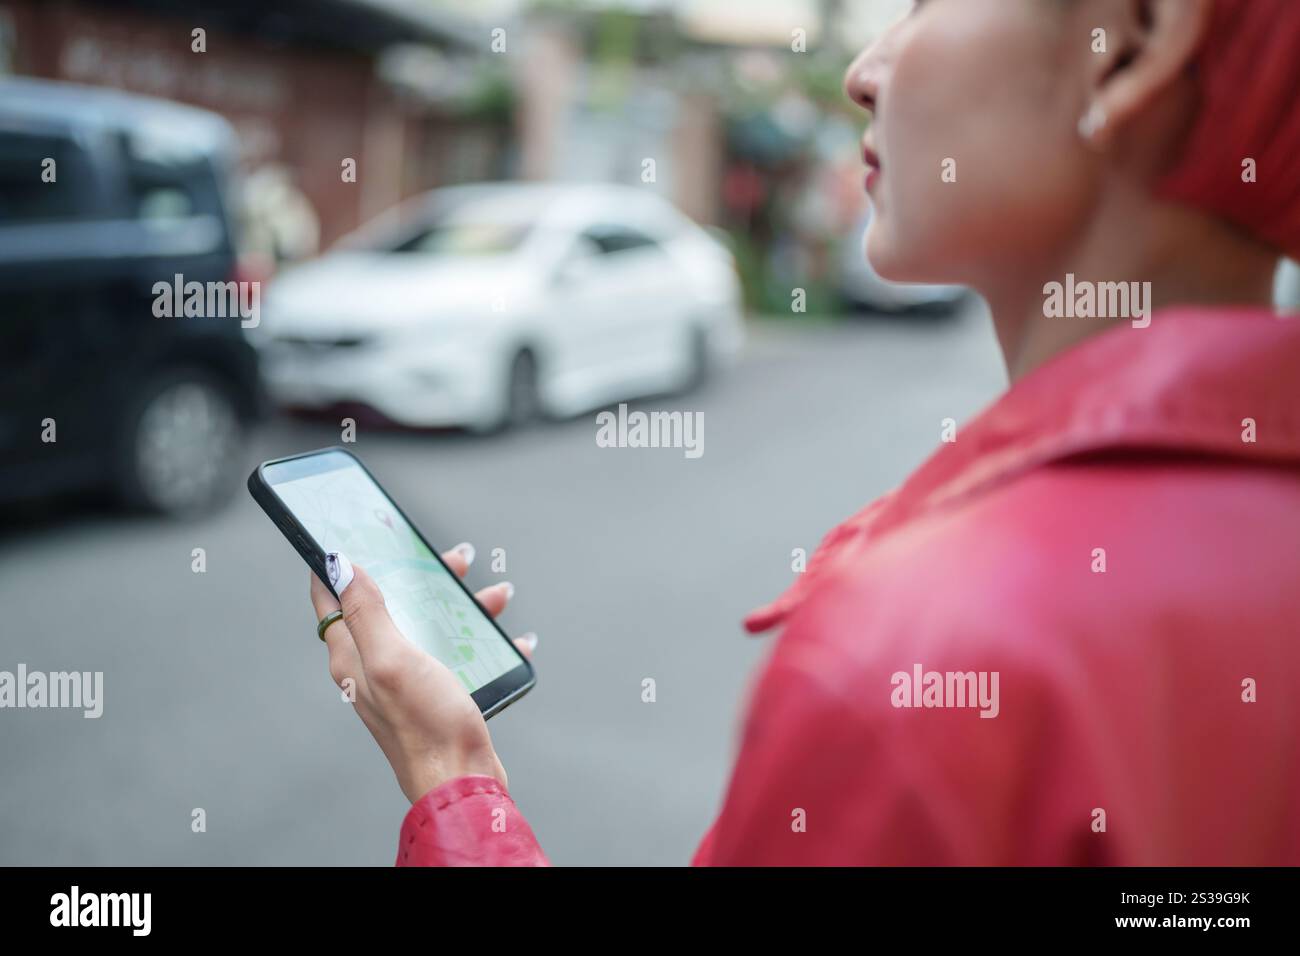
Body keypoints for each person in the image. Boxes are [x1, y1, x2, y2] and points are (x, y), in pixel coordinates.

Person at [310, 0, 1300, 866]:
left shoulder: (918, 658)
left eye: (925, 3)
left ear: (1131, 42)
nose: (862, 74)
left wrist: (449, 770)